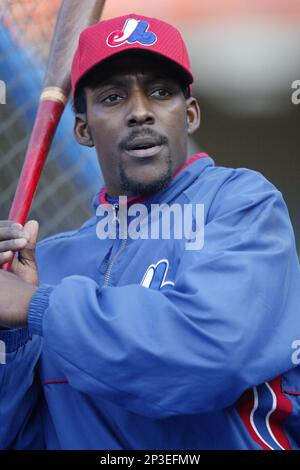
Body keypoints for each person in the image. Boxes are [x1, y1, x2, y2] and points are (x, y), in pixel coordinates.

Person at [0, 13, 300, 451]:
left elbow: (206, 358)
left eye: (160, 92)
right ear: (83, 129)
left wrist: (37, 305)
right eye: (113, 97)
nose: (140, 111)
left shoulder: (241, 205)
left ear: (190, 114)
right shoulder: (49, 263)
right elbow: (21, 436)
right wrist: (13, 335)